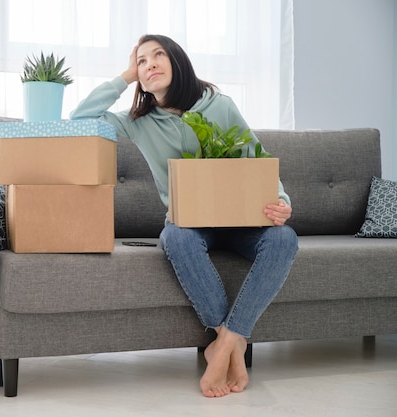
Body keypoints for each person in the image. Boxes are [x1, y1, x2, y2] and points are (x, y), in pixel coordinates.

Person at [70, 34, 298, 398]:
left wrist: (281, 200)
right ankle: (232, 341)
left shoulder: (218, 105)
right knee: (174, 236)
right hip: (191, 224)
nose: (150, 64)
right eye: (141, 61)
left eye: (158, 55)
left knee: (284, 239)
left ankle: (223, 344)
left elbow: (256, 155)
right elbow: (80, 119)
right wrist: (125, 76)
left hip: (241, 221)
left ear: (177, 61)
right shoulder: (137, 121)